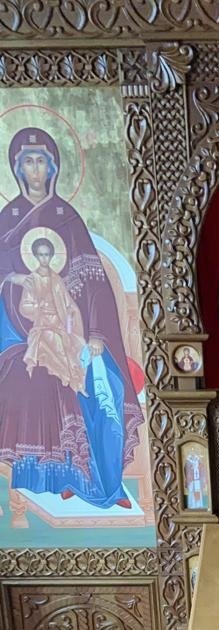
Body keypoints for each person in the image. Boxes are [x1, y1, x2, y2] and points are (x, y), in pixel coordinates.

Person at [0, 127, 142, 509]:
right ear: (17, 169)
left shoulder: (68, 218)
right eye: (28, 162)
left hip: (75, 330)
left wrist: (96, 334)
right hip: (20, 333)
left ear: (53, 168)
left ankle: (100, 482)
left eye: (41, 162)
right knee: (31, 379)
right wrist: (15, 283)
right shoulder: (8, 218)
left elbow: (94, 284)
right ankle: (59, 476)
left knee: (99, 388)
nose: (35, 169)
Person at [18, 237, 86, 393]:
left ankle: (77, 382)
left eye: (47, 255)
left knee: (80, 344)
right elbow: (24, 307)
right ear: (36, 256)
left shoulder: (57, 280)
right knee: (59, 343)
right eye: (41, 255)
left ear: (51, 256)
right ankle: (72, 383)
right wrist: (38, 307)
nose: (44, 258)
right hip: (42, 326)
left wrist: (70, 313)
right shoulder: (32, 280)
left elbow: (67, 303)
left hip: (60, 323)